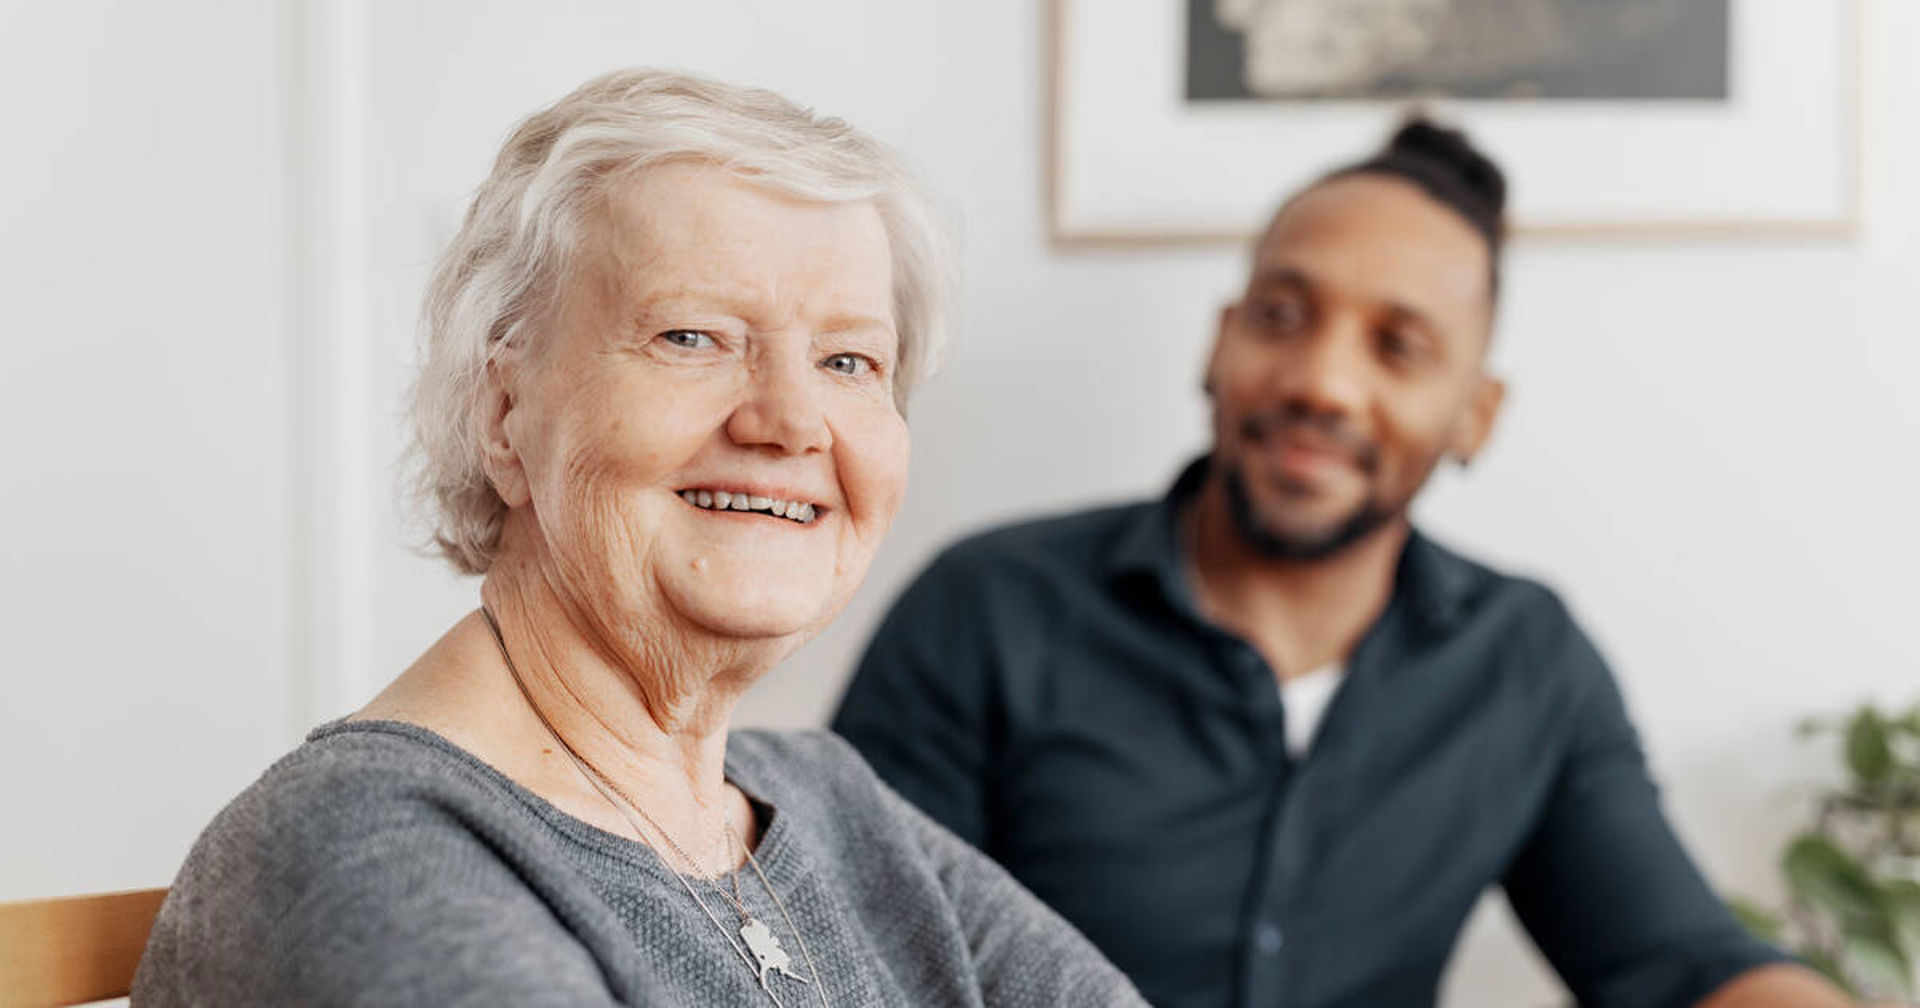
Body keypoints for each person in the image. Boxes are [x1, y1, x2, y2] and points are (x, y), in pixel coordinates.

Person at [133, 68, 1145, 1007]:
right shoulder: (357, 845)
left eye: (848, 361)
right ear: (504, 415)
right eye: (691, 337)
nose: (791, 422)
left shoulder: (833, 804)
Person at [833, 121, 1853, 1007]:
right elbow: (854, 954)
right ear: (1220, 346)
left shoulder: (1526, 660)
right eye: (1282, 317)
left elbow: (1680, 965)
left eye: (1398, 345)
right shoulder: (986, 610)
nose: (1323, 382)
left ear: (1475, 414)